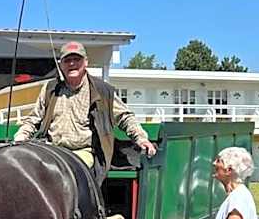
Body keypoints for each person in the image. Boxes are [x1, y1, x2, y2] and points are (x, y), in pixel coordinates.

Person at [13, 41, 157, 171]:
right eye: (67, 60)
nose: (72, 64)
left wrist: (141, 139)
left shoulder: (102, 91)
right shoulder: (50, 89)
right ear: (61, 64)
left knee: (70, 170)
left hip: (84, 152)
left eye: (77, 59)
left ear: (86, 62)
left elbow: (125, 117)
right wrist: (21, 136)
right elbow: (33, 119)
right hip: (54, 150)